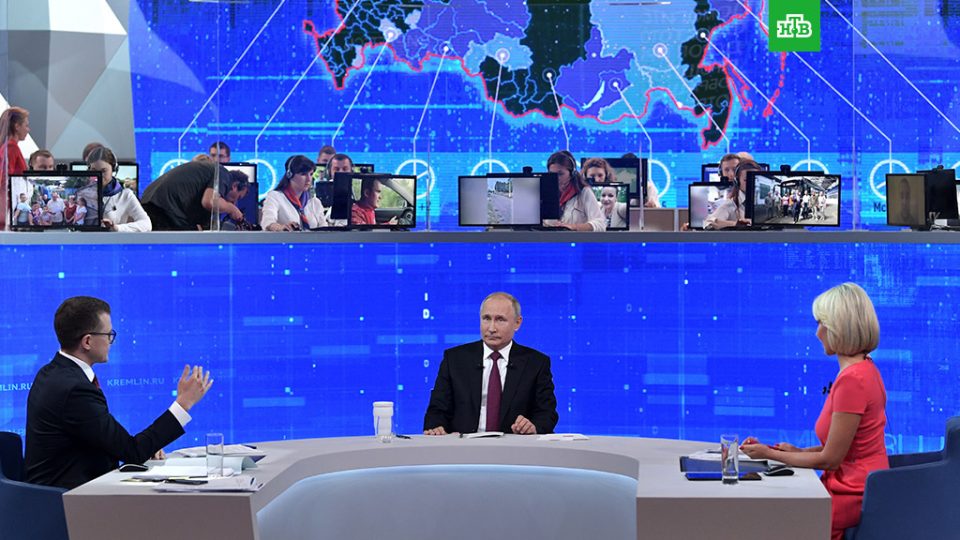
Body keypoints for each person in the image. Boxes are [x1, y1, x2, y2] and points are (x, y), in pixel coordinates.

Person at [742, 283, 888, 540]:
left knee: (778, 521)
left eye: (822, 324)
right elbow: (847, 446)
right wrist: (796, 452)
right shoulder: (866, 369)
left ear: (839, 328)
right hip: (858, 485)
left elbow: (831, 460)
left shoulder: (853, 380)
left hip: (851, 492)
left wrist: (769, 454)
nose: (817, 332)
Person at [24, 296, 214, 489]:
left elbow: (103, 440)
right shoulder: (75, 389)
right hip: (67, 499)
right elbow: (132, 452)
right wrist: (184, 403)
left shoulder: (50, 373)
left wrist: (146, 447)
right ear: (87, 341)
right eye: (108, 334)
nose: (111, 341)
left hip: (56, 493)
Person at [423, 292, 558, 435]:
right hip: (464, 445)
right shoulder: (454, 359)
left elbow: (547, 413)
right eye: (486, 318)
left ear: (517, 323)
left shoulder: (536, 363)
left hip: (514, 446)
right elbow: (437, 410)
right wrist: (436, 427)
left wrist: (533, 427)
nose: (492, 328)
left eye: (500, 320)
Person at [141, 160, 248, 230]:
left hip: (151, 204)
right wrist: (232, 209)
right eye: (238, 197)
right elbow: (210, 202)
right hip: (165, 211)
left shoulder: (208, 175)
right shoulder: (223, 174)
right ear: (235, 186)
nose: (235, 202)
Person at [86, 146, 151, 231]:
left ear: (113, 169)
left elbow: (146, 224)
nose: (98, 175)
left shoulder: (125, 195)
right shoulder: (82, 193)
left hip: (113, 239)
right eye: (94, 171)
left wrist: (117, 228)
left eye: (103, 171)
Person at [261, 155, 328, 231]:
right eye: (303, 174)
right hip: (286, 238)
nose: (309, 179)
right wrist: (281, 228)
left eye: (311, 174)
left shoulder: (314, 202)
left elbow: (325, 229)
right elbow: (267, 222)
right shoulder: (275, 197)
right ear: (290, 175)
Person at [546, 151, 605, 231]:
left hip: (576, 239)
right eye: (551, 174)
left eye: (560, 174)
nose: (555, 178)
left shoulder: (584, 192)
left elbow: (600, 225)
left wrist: (573, 227)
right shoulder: (545, 194)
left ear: (572, 174)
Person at [1, 106, 30, 228]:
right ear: (17, 126)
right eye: (26, 125)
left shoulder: (8, 147)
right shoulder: (11, 147)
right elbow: (4, 181)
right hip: (6, 213)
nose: (28, 130)